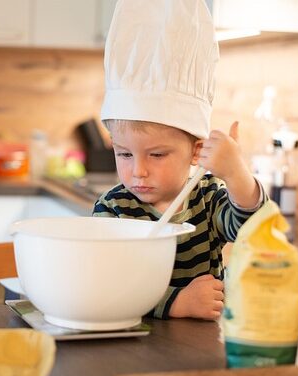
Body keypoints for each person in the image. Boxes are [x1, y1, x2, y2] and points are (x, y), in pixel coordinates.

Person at [93, 0, 267, 320]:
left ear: (196, 151)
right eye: (124, 153)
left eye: (157, 154)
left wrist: (235, 173)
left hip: (201, 350)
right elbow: (106, 285)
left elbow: (252, 231)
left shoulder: (207, 197)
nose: (138, 171)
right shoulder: (113, 208)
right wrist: (176, 304)